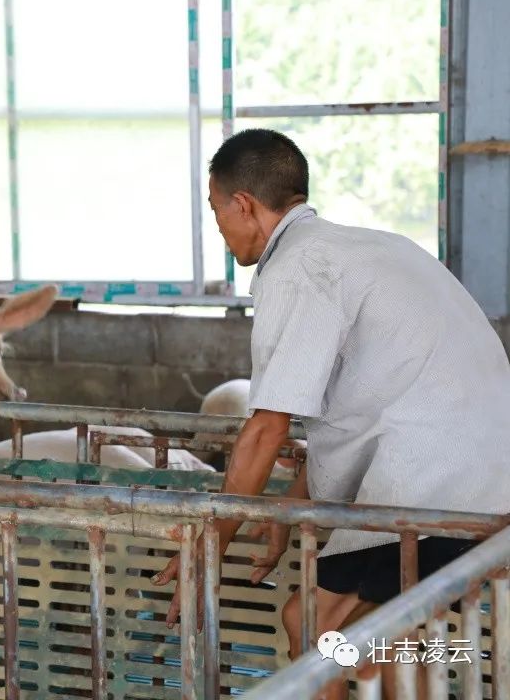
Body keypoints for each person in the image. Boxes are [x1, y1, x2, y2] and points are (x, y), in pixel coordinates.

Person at [150, 128, 510, 699]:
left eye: (217, 213)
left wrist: (209, 548)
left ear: (242, 204)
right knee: (319, 623)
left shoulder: (298, 267)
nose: (220, 230)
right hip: (481, 479)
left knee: (343, 638)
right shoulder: (365, 248)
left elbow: (267, 426)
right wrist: (290, 509)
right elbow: (369, 406)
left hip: (438, 489)